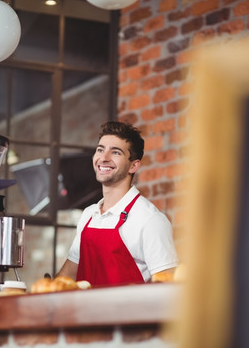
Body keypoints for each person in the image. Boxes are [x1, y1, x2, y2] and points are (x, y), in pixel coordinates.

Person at [56, 121, 178, 286]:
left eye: (115, 152)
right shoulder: (89, 215)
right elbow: (66, 278)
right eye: (100, 150)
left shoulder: (150, 220)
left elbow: (166, 289)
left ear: (133, 166)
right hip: (84, 311)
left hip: (129, 312)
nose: (103, 158)